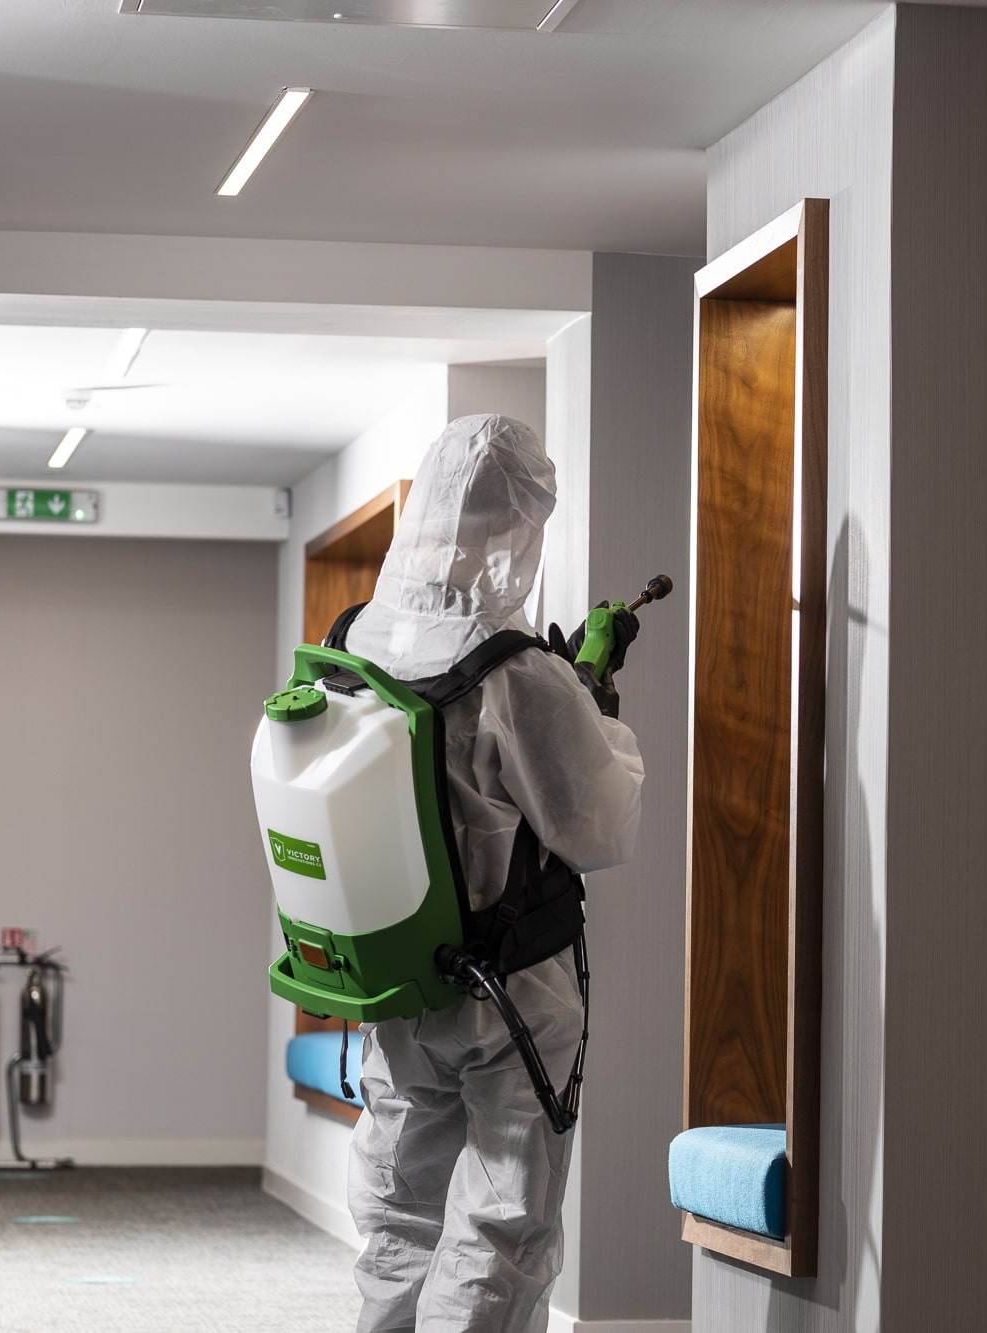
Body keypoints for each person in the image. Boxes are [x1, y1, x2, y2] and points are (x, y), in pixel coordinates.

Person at [339, 414, 644, 1333]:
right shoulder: (515, 671)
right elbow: (596, 824)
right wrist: (594, 699)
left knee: (399, 1212)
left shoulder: (354, 640)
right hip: (510, 993)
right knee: (500, 1219)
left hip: (397, 981)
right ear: (521, 527)